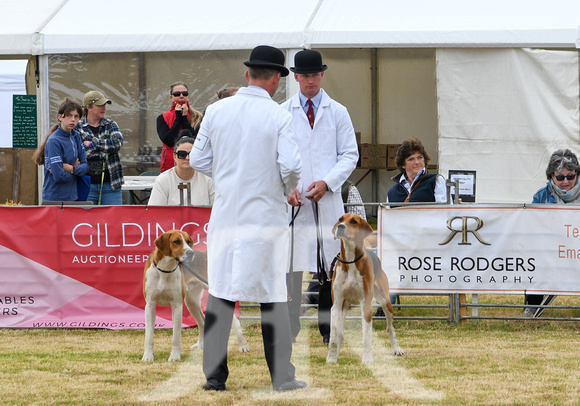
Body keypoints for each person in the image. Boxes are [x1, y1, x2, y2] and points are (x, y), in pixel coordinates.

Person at [189, 45, 306, 392]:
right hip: (266, 215)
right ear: (275, 79)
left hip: (226, 214)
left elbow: (196, 159)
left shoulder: (216, 110)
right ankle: (282, 376)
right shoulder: (279, 116)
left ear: (247, 75)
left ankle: (214, 377)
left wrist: (227, 178)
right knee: (272, 294)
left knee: (222, 292)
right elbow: (292, 166)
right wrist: (285, 187)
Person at [282, 49, 359, 345]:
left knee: (330, 267)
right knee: (292, 267)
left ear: (322, 75)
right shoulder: (283, 112)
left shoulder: (337, 111)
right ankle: (290, 328)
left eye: (315, 74)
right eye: (305, 75)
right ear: (296, 77)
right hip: (295, 202)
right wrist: (288, 187)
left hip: (327, 203)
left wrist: (327, 182)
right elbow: (277, 155)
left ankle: (329, 330)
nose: (310, 80)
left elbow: (350, 154)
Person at [524, 149, 580, 317]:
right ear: (551, 177)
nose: (565, 181)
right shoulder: (541, 196)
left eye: (570, 176)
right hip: (550, 250)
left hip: (577, 249)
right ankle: (532, 305)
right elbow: (532, 226)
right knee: (535, 259)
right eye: (560, 177)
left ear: (577, 174)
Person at [32, 97, 88, 202]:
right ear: (60, 117)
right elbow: (59, 176)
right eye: (69, 115)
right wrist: (76, 170)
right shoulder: (54, 141)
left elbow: (85, 166)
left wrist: (72, 168)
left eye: (76, 116)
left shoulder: (76, 136)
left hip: (74, 197)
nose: (73, 119)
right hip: (55, 199)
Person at [76, 90, 124, 205]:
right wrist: (106, 147)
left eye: (105, 105)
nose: (104, 108)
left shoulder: (111, 124)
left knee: (114, 221)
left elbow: (117, 144)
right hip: (86, 185)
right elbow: (79, 151)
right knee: (86, 221)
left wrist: (91, 143)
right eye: (100, 105)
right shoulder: (78, 127)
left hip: (111, 185)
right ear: (89, 107)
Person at [148, 133, 214, 206]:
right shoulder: (163, 180)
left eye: (191, 154)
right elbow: (155, 212)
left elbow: (217, 209)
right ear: (174, 156)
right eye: (182, 154)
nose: (187, 158)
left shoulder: (208, 179)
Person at [157, 81, 203, 172]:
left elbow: (196, 140)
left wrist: (184, 118)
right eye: (177, 94)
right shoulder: (162, 118)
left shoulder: (198, 117)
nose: (181, 96)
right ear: (171, 97)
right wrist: (178, 118)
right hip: (169, 164)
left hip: (192, 162)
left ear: (188, 96)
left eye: (184, 93)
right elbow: (168, 141)